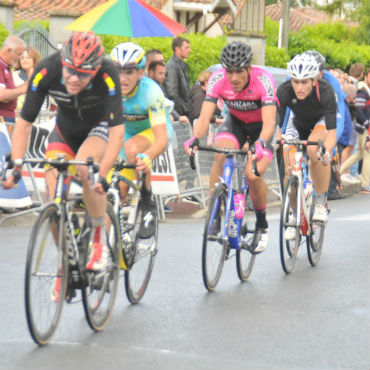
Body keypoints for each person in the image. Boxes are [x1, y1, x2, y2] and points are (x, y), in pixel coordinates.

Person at [3, 32, 125, 276]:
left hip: (98, 129)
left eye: (83, 74)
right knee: (53, 194)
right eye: (70, 71)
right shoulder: (47, 70)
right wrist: (15, 166)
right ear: (62, 62)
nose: (74, 78)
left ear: (96, 69)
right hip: (65, 131)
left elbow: (117, 133)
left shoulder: (108, 74)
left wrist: (101, 173)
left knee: (84, 168)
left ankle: (100, 238)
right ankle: (67, 264)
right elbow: (24, 123)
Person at [184, 41, 277, 254]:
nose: (233, 78)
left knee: (253, 175)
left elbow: (270, 122)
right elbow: (205, 116)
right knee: (221, 152)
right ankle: (216, 212)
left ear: (249, 69)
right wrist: (195, 139)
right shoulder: (217, 79)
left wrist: (261, 143)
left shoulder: (263, 80)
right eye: (229, 72)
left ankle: (262, 225)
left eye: (239, 72)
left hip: (262, 128)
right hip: (235, 123)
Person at [110, 42, 171, 237]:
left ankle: (147, 200)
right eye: (118, 71)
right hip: (125, 134)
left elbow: (161, 139)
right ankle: (114, 240)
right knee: (116, 189)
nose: (123, 78)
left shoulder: (151, 92)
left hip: (152, 132)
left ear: (141, 73)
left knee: (133, 147)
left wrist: (147, 157)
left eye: (129, 72)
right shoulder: (109, 89)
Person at [276, 53, 337, 237]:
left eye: (305, 82)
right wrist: (275, 143)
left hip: (319, 122)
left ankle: (319, 202)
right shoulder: (284, 90)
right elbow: (276, 127)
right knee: (289, 169)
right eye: (296, 82)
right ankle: (294, 214)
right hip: (296, 123)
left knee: (314, 150)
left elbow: (332, 132)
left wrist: (325, 149)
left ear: (314, 80)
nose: (299, 87)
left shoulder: (326, 91)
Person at [303, 50, 347, 200]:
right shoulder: (296, 79)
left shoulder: (332, 82)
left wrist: (332, 141)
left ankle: (322, 196)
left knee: (325, 153)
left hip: (324, 120)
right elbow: (288, 112)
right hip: (303, 119)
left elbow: (338, 116)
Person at [340, 68, 370, 193]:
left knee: (359, 154)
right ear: (366, 76)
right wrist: (367, 125)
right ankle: (366, 184)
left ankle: (338, 172)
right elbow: (360, 111)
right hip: (364, 128)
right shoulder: (362, 91)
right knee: (368, 155)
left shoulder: (365, 90)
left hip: (363, 127)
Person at [12, 45, 56, 122]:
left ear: (34, 59)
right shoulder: (14, 76)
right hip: (21, 122)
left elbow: (55, 98)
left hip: (42, 123)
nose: (25, 60)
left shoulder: (44, 76)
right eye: (22, 58)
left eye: (28, 57)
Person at [148, 60, 189, 124]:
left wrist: (177, 117)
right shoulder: (146, 88)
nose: (163, 77)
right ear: (151, 73)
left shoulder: (159, 86)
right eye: (160, 73)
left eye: (164, 74)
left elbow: (165, 103)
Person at [0, 35, 28, 132]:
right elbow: (2, 95)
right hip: (2, 121)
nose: (19, 58)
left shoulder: (5, 66)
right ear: (8, 50)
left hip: (7, 120)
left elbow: (8, 91)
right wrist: (22, 89)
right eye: (19, 54)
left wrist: (26, 85)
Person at [163, 36, 191, 117]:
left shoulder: (180, 65)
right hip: (178, 114)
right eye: (186, 47)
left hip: (181, 112)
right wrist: (186, 109)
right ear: (177, 49)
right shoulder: (172, 66)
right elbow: (172, 94)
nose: (189, 50)